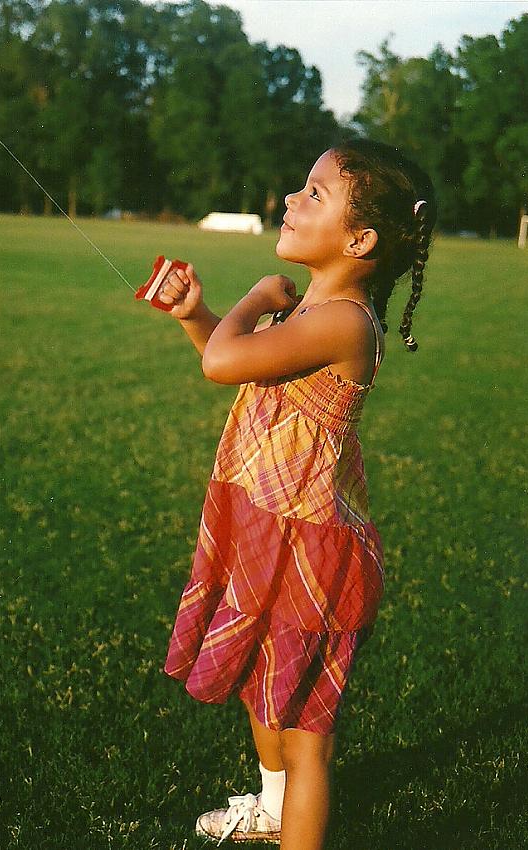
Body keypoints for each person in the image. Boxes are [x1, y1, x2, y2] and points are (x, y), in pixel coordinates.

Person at [159, 138, 436, 849]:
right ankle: (274, 809)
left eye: (314, 193)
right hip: (271, 536)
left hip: (315, 557)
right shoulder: (312, 315)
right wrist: (198, 313)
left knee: (307, 735)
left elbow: (226, 361)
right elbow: (241, 363)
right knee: (263, 692)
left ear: (361, 237)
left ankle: (294, 820)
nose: (290, 198)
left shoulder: (342, 322)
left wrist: (253, 297)